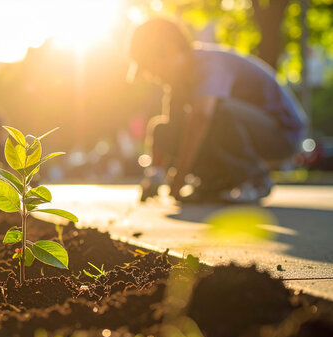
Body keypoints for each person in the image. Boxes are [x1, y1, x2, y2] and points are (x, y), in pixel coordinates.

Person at [127, 17, 307, 203]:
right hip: (243, 129)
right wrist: (156, 174)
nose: (151, 76)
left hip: (282, 133)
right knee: (166, 128)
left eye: (151, 67)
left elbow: (202, 118)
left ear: (171, 50)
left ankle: (253, 178)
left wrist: (179, 178)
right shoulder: (178, 85)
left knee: (217, 113)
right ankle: (216, 181)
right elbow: (173, 130)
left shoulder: (208, 65)